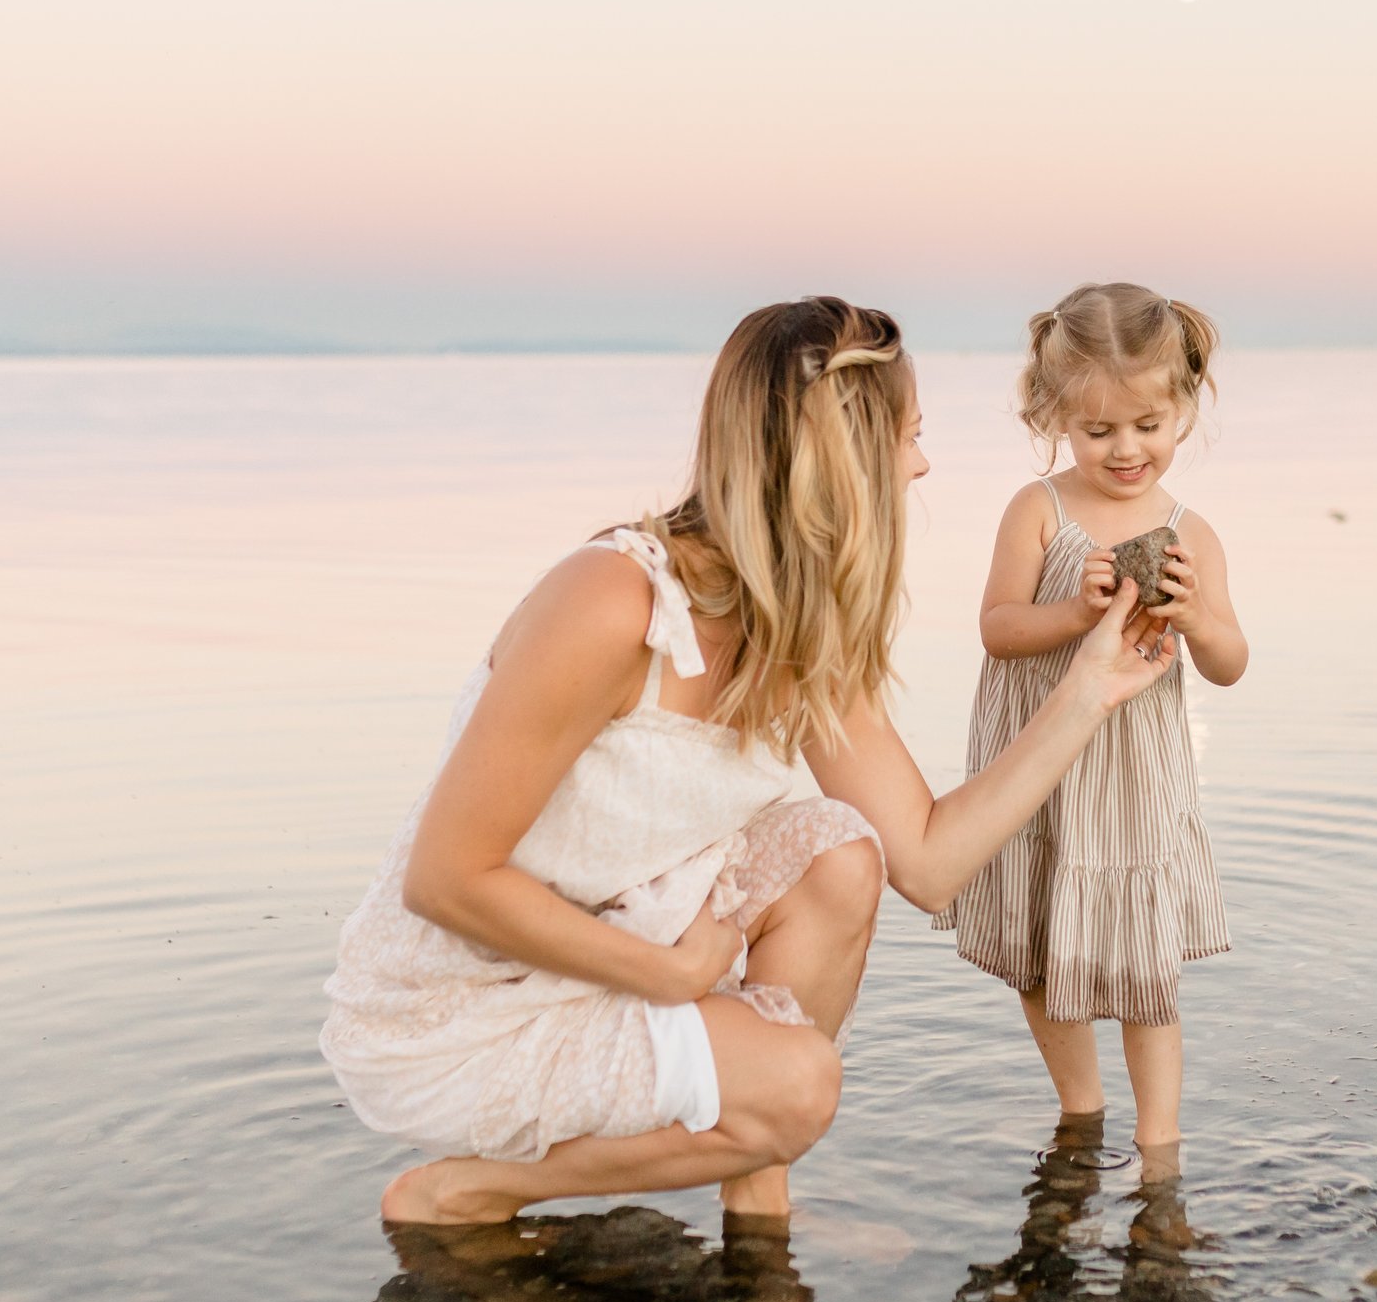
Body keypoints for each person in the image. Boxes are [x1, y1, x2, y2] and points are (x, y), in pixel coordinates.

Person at [321, 297, 1177, 1225]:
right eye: (909, 437)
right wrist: (673, 978)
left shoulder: (798, 630)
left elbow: (926, 862)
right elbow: (444, 879)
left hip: (623, 943)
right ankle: (471, 1189)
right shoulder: (613, 602)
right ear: (840, 459)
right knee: (805, 1084)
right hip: (466, 1007)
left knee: (842, 854)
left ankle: (757, 1181)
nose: (921, 465)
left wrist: (1088, 690)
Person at [935, 282, 1249, 1156]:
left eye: (1147, 425)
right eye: (1098, 429)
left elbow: (1231, 662)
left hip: (1133, 773)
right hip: (1037, 763)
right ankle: (1080, 1109)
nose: (1125, 450)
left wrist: (1193, 619)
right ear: (1055, 416)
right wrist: (1075, 612)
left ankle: (1160, 1146)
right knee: (1042, 949)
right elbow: (999, 631)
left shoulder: (1193, 534)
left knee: (1148, 969)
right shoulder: (1039, 510)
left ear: (1184, 409)